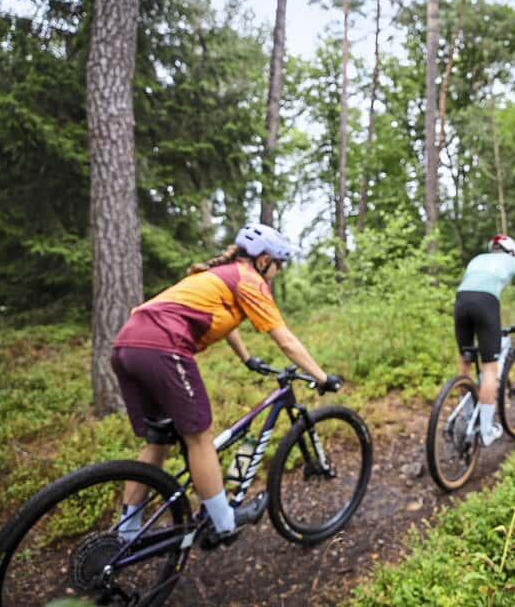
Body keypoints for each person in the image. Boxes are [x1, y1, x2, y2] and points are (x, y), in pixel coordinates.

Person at [110, 222, 342, 549]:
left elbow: (226, 318)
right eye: (278, 265)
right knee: (200, 438)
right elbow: (286, 341)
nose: (277, 272)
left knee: (157, 439)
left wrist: (246, 358)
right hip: (163, 348)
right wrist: (322, 377)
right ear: (264, 260)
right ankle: (223, 523)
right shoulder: (250, 280)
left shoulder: (218, 275)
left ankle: (126, 533)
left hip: (126, 346)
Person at [454, 234, 515, 447]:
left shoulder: (477, 259)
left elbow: (472, 285)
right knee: (490, 368)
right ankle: (486, 431)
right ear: (512, 252)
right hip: (486, 303)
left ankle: (467, 415)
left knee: (465, 359)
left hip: (461, 301)